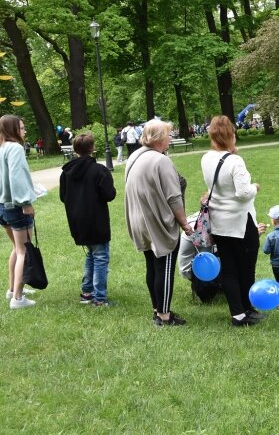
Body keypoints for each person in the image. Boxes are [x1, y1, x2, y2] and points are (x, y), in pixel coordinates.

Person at [125, 119, 192, 326]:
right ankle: (164, 316)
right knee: (164, 266)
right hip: (157, 222)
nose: (170, 139)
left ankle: (157, 309)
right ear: (160, 138)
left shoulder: (135, 155)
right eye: (169, 135)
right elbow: (173, 197)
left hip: (139, 220)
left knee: (152, 265)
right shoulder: (161, 160)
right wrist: (185, 224)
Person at [201, 115, 263, 327]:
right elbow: (244, 193)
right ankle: (247, 308)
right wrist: (255, 187)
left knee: (229, 268)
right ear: (230, 135)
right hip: (239, 222)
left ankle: (237, 312)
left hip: (219, 221)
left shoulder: (206, 158)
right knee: (246, 268)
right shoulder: (235, 161)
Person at [59, 132, 117, 306]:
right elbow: (109, 194)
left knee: (91, 254)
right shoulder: (99, 170)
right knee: (100, 256)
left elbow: (63, 196)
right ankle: (99, 297)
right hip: (96, 220)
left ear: (75, 149)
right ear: (92, 148)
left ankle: (87, 291)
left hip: (77, 220)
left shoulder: (66, 173)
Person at [0, 115, 38, 309]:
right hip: (14, 205)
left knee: (17, 247)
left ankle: (12, 289)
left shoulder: (2, 147)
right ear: (12, 130)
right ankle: (18, 298)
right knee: (23, 250)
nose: (24, 131)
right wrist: (25, 203)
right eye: (21, 128)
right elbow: (16, 177)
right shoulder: (14, 148)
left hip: (2, 205)